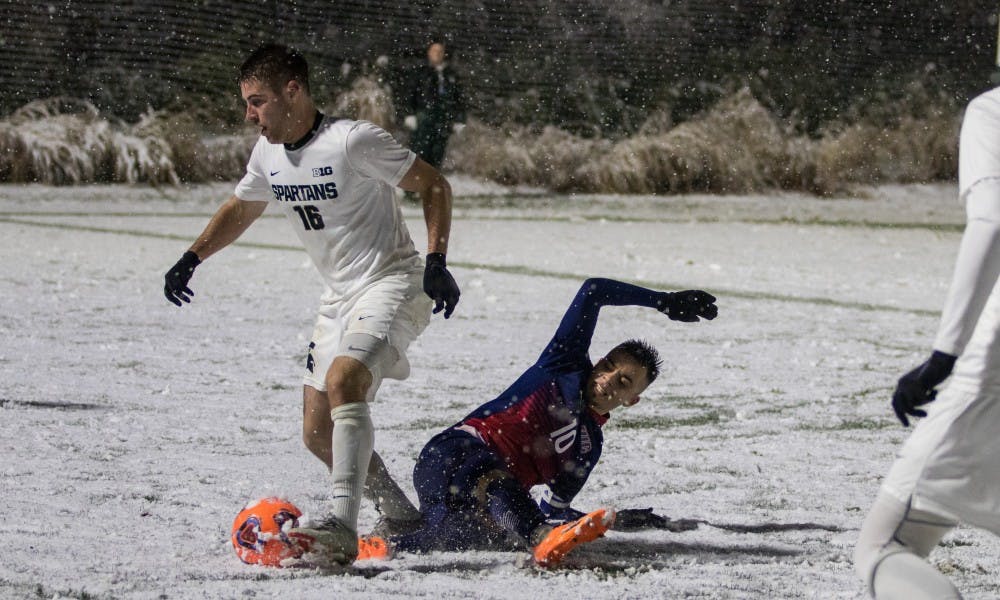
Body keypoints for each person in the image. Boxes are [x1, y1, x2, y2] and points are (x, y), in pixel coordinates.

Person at [162, 43, 461, 566]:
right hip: (337, 298)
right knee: (316, 432)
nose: (250, 115)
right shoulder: (267, 154)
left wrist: (436, 261)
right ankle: (405, 519)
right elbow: (242, 206)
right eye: (247, 103)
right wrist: (192, 256)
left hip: (392, 282)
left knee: (346, 381)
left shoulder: (353, 141)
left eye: (258, 102)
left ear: (292, 92)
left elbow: (433, 183)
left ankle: (341, 530)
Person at [354, 278, 717, 567]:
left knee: (461, 536)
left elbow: (552, 509)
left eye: (623, 382)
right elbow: (593, 290)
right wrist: (662, 301)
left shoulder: (588, 448)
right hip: (452, 453)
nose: (607, 379)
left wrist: (615, 519)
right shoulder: (565, 363)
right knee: (493, 481)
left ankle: (374, 544)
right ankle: (539, 540)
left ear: (632, 400)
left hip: (479, 495)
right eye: (608, 365)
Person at [854, 87, 1000, 599]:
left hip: (991, 373)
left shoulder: (993, 110)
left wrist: (945, 355)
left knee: (883, 547)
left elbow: (994, 220)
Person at [403, 39, 466, 170]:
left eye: (440, 51)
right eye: (434, 51)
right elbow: (409, 94)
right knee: (419, 152)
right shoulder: (421, 73)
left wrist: (459, 119)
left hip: (443, 118)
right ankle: (412, 188)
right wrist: (409, 114)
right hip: (424, 116)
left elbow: (459, 99)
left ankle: (431, 187)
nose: (437, 54)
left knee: (438, 153)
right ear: (428, 53)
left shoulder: (450, 75)